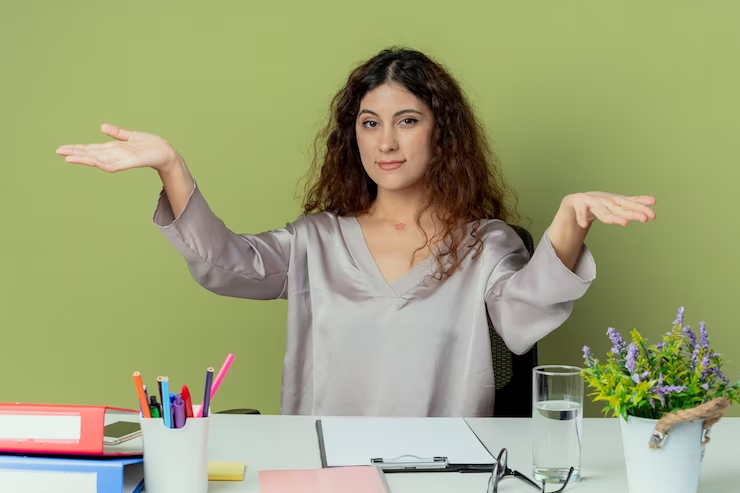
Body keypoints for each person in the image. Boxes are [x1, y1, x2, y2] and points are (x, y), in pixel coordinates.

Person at [56, 47, 656, 417]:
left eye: (407, 121)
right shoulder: (313, 242)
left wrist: (569, 222)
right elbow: (226, 265)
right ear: (355, 136)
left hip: (446, 474)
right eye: (371, 123)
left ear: (440, 135)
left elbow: (523, 318)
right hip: (323, 472)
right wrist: (171, 167)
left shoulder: (486, 243)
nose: (387, 142)